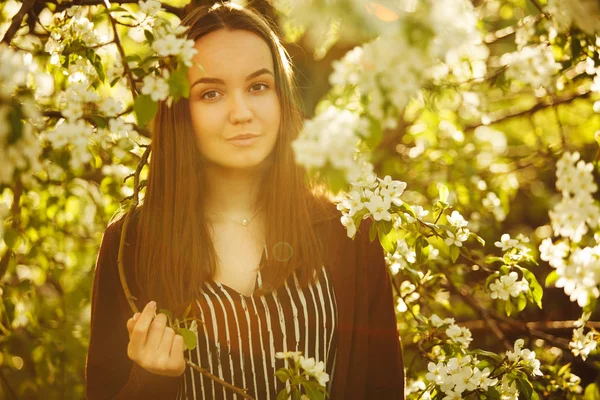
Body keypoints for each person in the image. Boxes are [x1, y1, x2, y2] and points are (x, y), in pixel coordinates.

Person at [85, 2, 405, 399]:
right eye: (211, 93)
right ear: (180, 110)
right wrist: (151, 381)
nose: (241, 113)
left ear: (281, 97)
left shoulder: (349, 232)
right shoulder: (132, 243)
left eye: (258, 87)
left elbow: (382, 386)